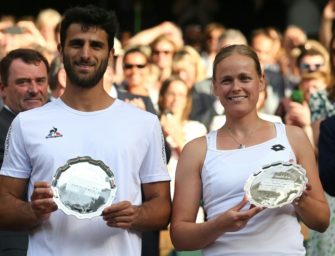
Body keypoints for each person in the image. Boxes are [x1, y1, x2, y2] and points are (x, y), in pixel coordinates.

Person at [0, 5, 171, 256]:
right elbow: (4, 207)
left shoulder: (144, 123)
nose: (85, 54)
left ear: (111, 54)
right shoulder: (27, 123)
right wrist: (32, 211)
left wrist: (135, 215)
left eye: (96, 45)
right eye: (77, 44)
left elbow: (163, 208)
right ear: (61, 50)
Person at [169, 44, 329, 255]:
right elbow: (179, 236)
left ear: (261, 82)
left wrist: (299, 196)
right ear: (214, 87)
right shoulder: (196, 150)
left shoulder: (293, 137)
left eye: (245, 78)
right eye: (227, 80)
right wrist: (219, 225)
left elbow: (322, 221)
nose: (236, 87)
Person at [0, 48, 49, 255]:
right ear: (2, 88)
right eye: (23, 82)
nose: (34, 89)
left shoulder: (61, 127)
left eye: (40, 81)